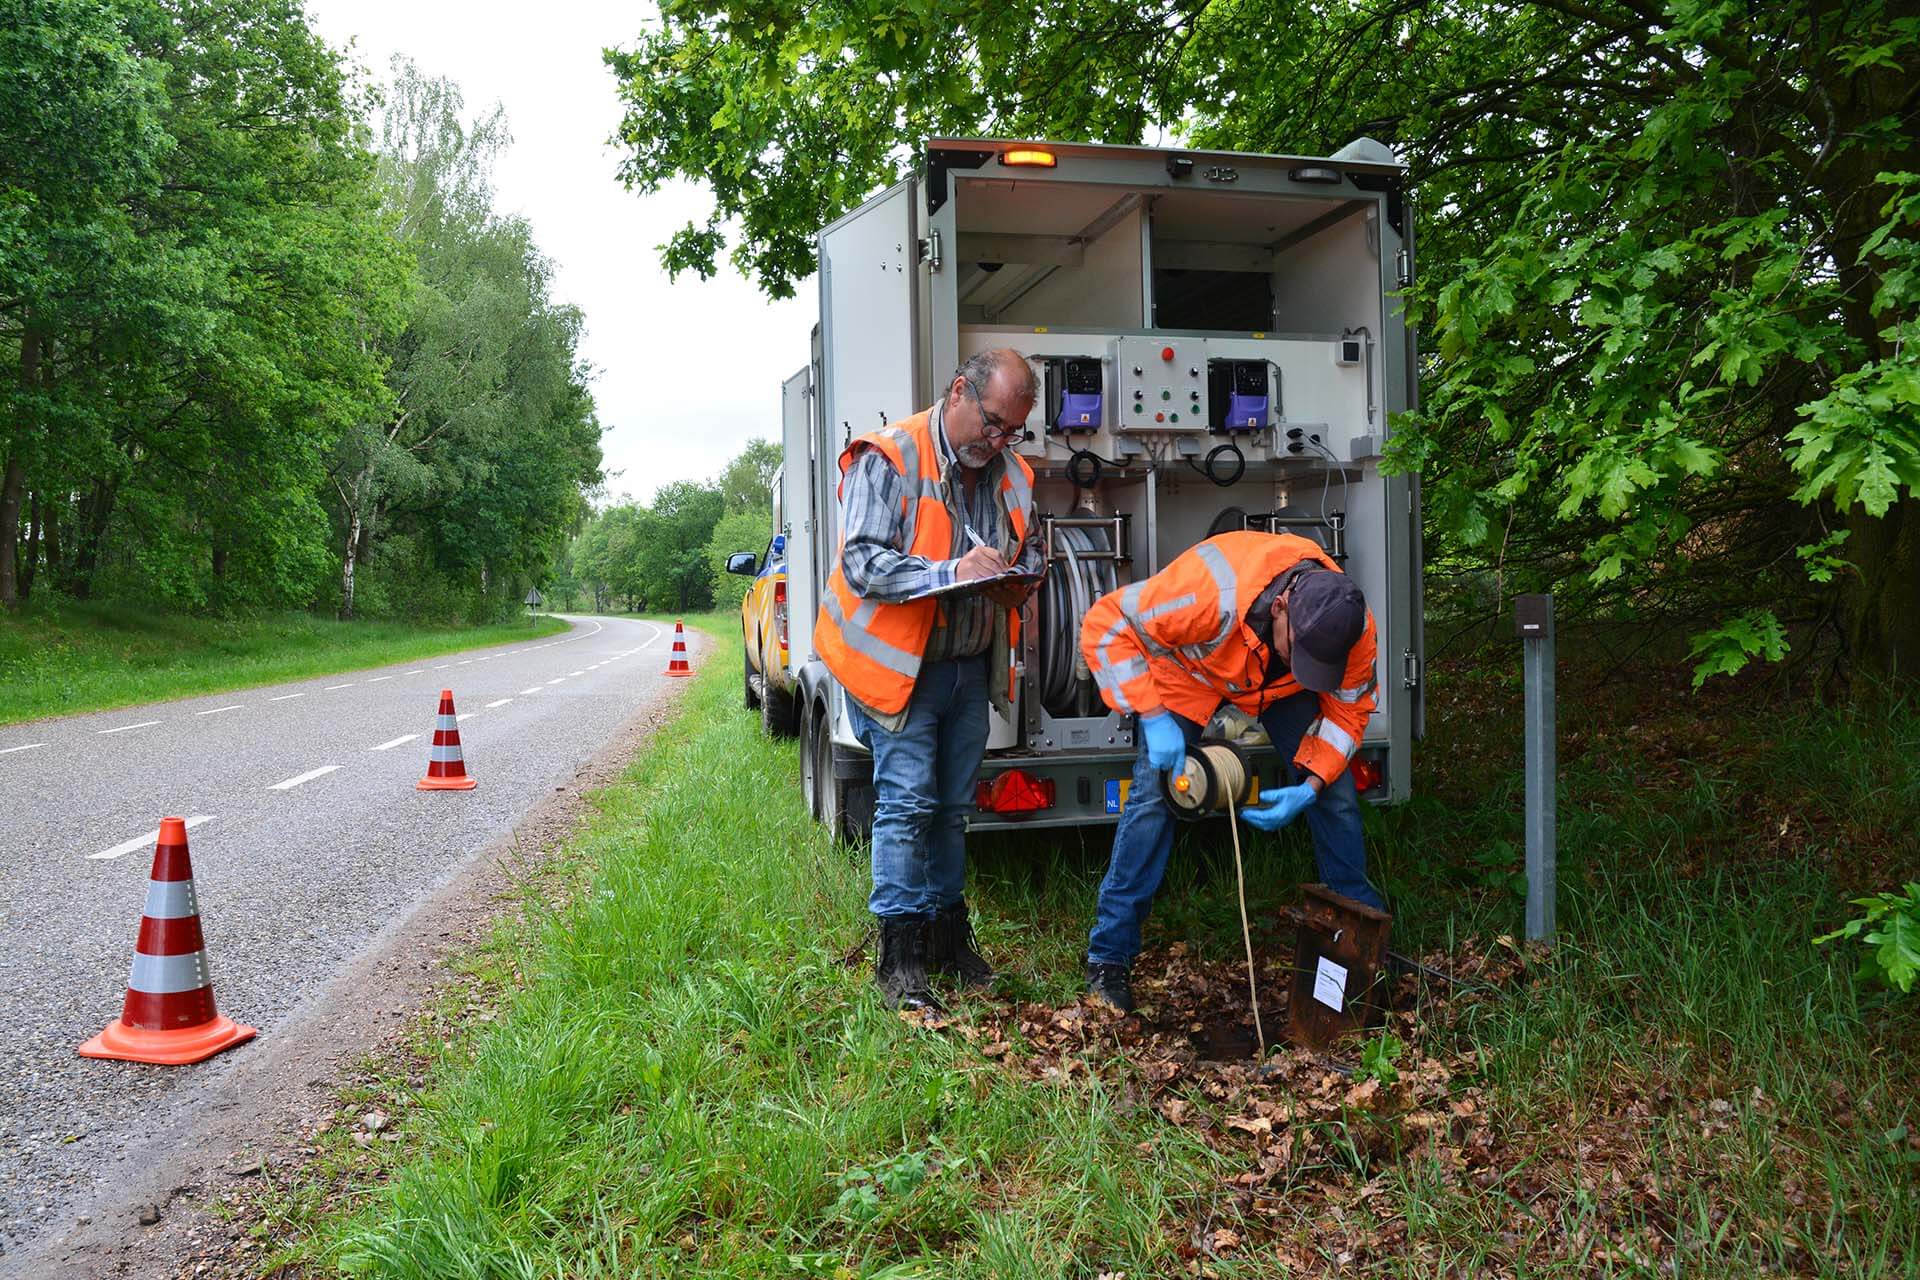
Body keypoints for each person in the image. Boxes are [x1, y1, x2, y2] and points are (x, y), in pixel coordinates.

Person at [814, 348, 1043, 1010]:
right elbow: (862, 565)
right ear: (959, 393)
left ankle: (947, 941)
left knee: (950, 811)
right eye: (993, 424)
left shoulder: (1012, 474)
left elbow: (1013, 549)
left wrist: (1020, 577)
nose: (998, 442)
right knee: (908, 806)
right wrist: (952, 574)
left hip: (966, 671)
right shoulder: (889, 458)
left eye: (1012, 431)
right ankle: (900, 963)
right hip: (898, 673)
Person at [1077, 530, 1385, 1012]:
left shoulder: (1349, 625)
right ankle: (1108, 956)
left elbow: (1348, 713)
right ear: (1281, 607)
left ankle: (1361, 943)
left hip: (1278, 691)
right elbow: (1106, 623)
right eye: (1298, 651)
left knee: (1336, 797)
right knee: (1153, 803)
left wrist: (1312, 782)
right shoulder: (1207, 594)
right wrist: (1154, 718)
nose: (1305, 665)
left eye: (1317, 663)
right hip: (1189, 675)